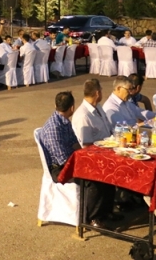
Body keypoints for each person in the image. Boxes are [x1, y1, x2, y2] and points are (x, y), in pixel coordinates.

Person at [38, 91, 117, 227]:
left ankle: (105, 211)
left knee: (105, 169)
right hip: (60, 169)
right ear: (72, 108)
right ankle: (92, 218)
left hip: (69, 162)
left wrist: (86, 158)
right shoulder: (54, 128)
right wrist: (84, 164)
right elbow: (63, 160)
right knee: (94, 179)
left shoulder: (63, 121)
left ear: (56, 105)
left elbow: (75, 144)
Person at [71, 79, 112, 146]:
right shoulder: (83, 116)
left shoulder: (98, 107)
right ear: (97, 93)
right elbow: (86, 145)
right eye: (101, 90)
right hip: (98, 151)